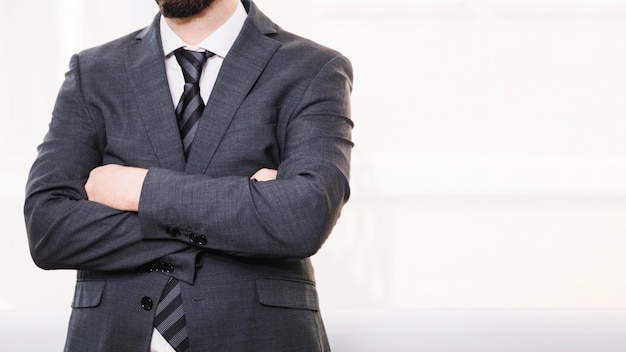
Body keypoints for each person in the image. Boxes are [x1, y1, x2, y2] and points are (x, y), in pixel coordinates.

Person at [23, 0, 353, 350]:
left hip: (257, 336)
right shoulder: (93, 71)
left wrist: (138, 189)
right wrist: (247, 210)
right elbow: (48, 229)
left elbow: (304, 217)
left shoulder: (313, 68)